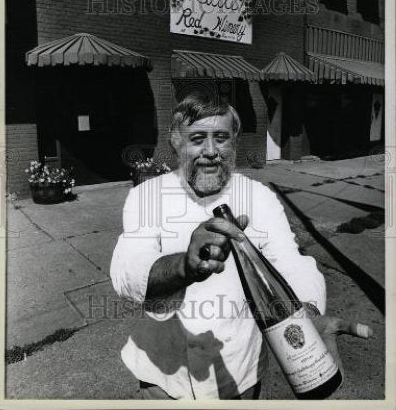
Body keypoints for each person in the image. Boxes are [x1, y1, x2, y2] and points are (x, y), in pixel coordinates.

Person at [110, 92, 372, 400]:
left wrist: (308, 313)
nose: (210, 151)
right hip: (164, 378)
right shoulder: (147, 196)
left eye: (221, 137)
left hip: (238, 376)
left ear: (234, 142)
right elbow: (128, 270)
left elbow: (289, 261)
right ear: (176, 141)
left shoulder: (258, 196)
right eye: (197, 138)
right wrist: (184, 266)